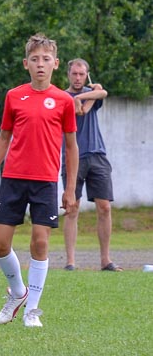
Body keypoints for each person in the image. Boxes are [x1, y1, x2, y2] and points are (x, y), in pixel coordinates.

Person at [0, 33, 78, 328]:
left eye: (46, 59)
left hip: (45, 182)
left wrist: (69, 189)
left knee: (40, 242)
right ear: (25, 64)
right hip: (13, 179)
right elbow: (4, 138)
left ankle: (32, 310)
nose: (40, 64)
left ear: (55, 63)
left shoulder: (64, 100)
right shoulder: (14, 96)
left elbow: (71, 146)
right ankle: (18, 293)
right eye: (35, 59)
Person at [62, 59, 120, 271]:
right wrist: (78, 99)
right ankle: (70, 262)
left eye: (82, 74)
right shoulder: (61, 97)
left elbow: (102, 94)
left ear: (87, 75)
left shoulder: (90, 94)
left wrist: (81, 96)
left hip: (97, 155)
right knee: (72, 208)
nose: (78, 78)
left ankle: (106, 260)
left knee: (104, 207)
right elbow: (79, 110)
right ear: (68, 74)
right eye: (74, 74)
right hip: (71, 157)